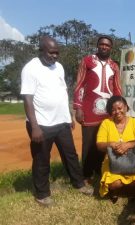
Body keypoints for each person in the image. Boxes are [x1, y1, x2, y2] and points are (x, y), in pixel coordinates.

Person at [20, 36, 93, 206]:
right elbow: (28, 100)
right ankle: (42, 194)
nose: (54, 56)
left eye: (57, 53)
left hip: (61, 122)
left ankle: (79, 184)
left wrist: (68, 116)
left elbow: (62, 93)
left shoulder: (58, 67)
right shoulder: (30, 69)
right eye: (51, 53)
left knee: (71, 155)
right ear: (41, 50)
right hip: (42, 124)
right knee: (41, 159)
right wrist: (35, 127)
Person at [73, 35, 122, 184]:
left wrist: (119, 108)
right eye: (101, 44)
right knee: (88, 144)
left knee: (103, 143)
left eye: (107, 45)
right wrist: (78, 107)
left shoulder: (114, 66)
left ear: (111, 48)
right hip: (89, 111)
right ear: (97, 45)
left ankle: (100, 170)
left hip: (107, 113)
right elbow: (79, 84)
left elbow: (117, 89)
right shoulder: (87, 61)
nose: (104, 47)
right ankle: (86, 174)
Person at [96, 96, 135, 203]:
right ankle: (114, 192)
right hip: (112, 163)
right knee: (116, 183)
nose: (117, 112)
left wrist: (127, 145)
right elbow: (99, 145)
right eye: (113, 110)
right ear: (110, 111)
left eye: (120, 108)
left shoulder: (134, 122)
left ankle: (132, 193)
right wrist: (111, 144)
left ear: (126, 107)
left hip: (132, 162)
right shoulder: (106, 123)